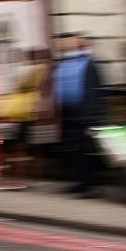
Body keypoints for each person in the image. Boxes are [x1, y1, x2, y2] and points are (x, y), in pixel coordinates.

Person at [53, 32, 103, 197]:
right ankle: (78, 183)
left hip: (84, 115)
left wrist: (92, 116)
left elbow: (95, 91)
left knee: (85, 151)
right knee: (73, 152)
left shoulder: (89, 63)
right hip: (68, 115)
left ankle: (87, 186)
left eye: (70, 41)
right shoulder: (66, 62)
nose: (65, 43)